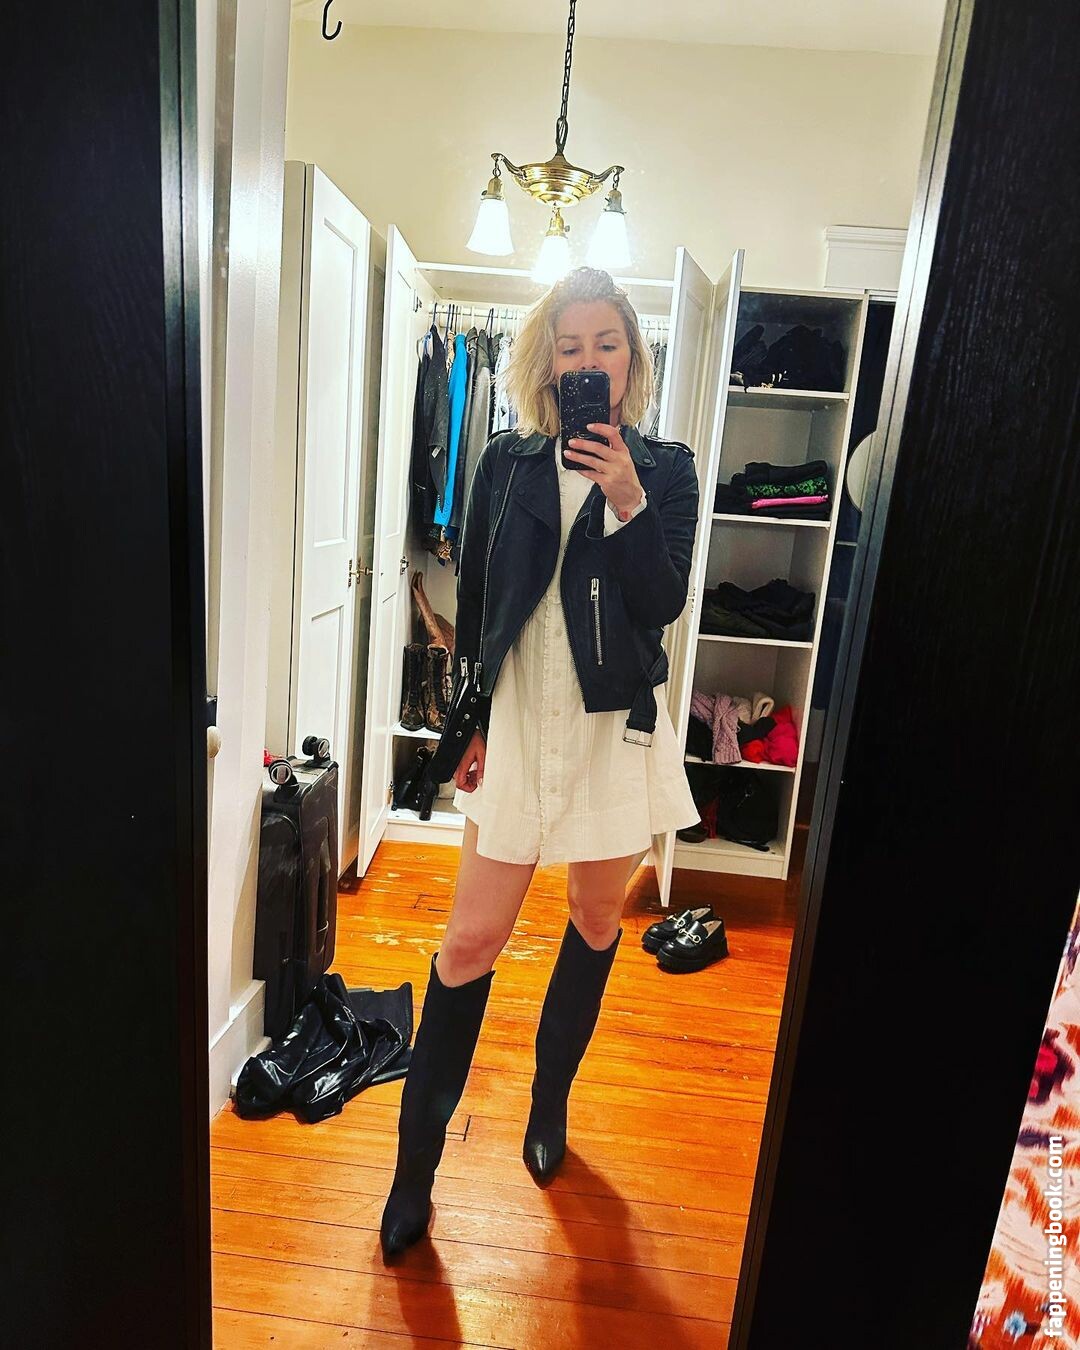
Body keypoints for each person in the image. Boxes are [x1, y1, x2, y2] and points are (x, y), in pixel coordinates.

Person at [380, 266, 701, 1259]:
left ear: (631, 359)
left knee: (596, 921)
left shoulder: (668, 470)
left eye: (607, 344)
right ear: (547, 362)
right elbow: (477, 605)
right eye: (570, 347)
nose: (588, 361)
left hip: (615, 730)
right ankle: (412, 1175)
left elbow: (661, 606)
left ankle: (549, 1101)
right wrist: (469, 722)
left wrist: (627, 496)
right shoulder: (505, 464)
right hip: (519, 719)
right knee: (470, 942)